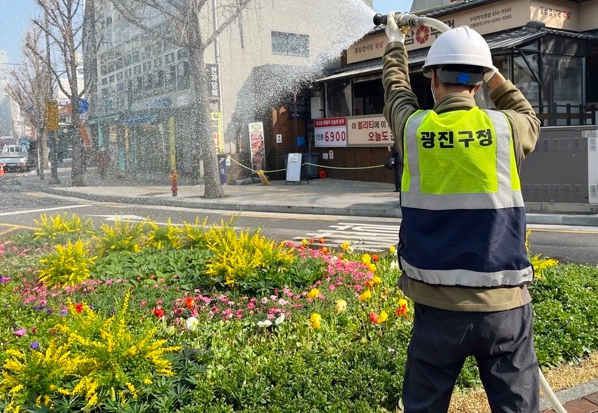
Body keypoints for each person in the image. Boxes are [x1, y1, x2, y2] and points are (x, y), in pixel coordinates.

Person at [382, 12, 541, 413]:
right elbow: (528, 114)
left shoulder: (413, 129)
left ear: (433, 79)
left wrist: (395, 44)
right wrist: (490, 71)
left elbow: (396, 92)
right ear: (479, 81)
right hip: (504, 308)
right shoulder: (506, 129)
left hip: (437, 311)